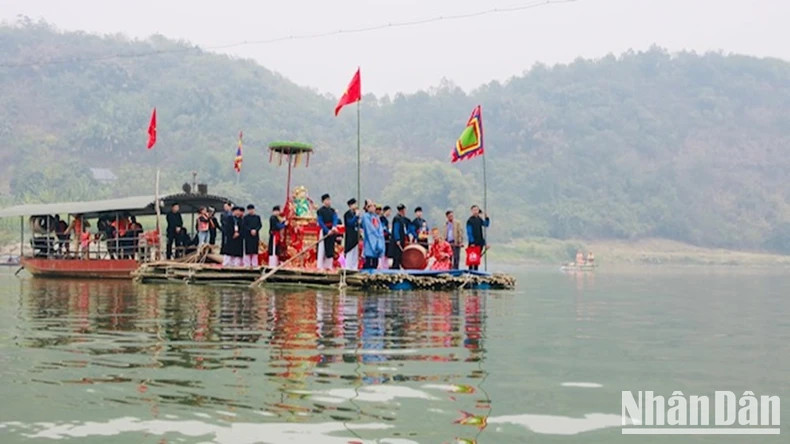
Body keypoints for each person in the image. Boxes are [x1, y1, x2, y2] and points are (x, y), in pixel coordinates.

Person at [316, 194, 340, 270]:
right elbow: (320, 222)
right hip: (324, 230)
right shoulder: (320, 211)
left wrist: (334, 227)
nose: (328, 201)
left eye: (329, 200)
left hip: (332, 230)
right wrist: (327, 230)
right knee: (322, 248)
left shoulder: (332, 210)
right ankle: (321, 266)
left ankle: (329, 265)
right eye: (327, 200)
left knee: (330, 248)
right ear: (323, 201)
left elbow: (335, 218)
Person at [361, 201, 385, 269]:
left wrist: (379, 236)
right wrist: (375, 235)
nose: (372, 208)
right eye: (370, 206)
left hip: (378, 241)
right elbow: (369, 229)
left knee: (375, 263)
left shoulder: (376, 217)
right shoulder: (366, 217)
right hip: (370, 242)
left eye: (373, 206)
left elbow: (380, 228)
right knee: (369, 263)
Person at [466, 205, 490, 271]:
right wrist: (472, 242)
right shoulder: (470, 220)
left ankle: (476, 271)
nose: (475, 211)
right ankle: (470, 271)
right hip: (473, 243)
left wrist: (487, 218)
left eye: (477, 210)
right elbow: (469, 232)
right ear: (472, 211)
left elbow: (486, 225)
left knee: (477, 259)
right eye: (474, 210)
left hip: (480, 242)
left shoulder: (479, 219)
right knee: (471, 259)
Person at [390, 204, 410, 269]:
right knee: (396, 256)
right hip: (397, 241)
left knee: (399, 257)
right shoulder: (397, 218)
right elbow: (396, 229)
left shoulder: (402, 219)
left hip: (402, 239)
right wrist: (397, 239)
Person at [343, 198, 361, 270]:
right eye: (354, 204)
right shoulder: (347, 214)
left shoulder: (356, 214)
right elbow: (350, 223)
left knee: (355, 254)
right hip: (350, 236)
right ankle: (348, 268)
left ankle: (354, 267)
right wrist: (356, 217)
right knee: (350, 253)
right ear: (350, 205)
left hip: (355, 237)